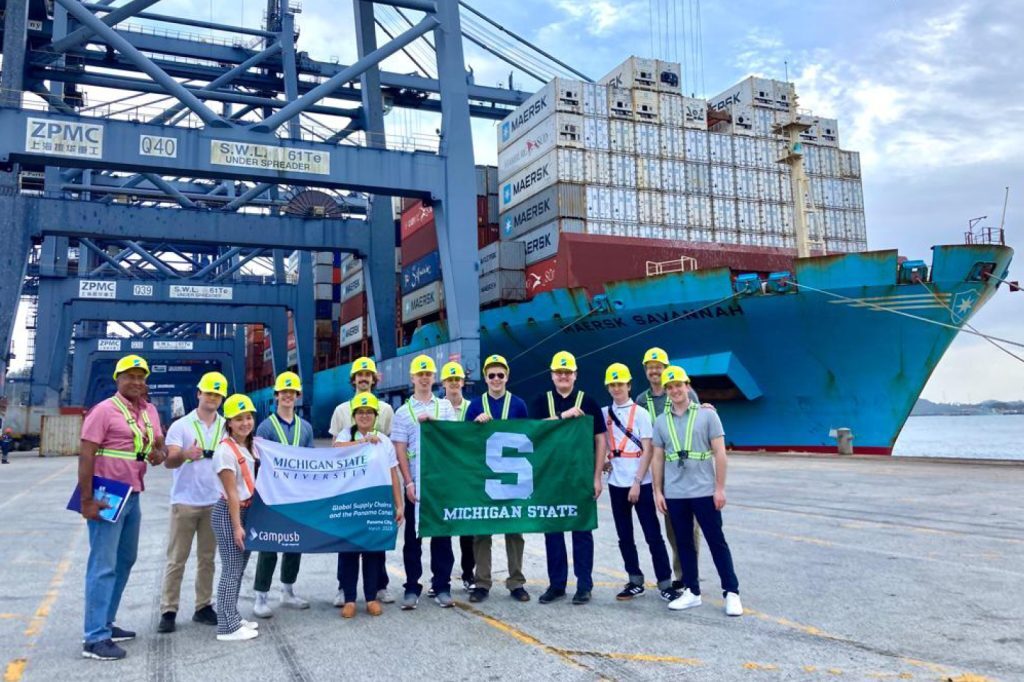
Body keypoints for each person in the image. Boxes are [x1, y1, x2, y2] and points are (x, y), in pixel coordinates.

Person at [78, 354, 167, 660]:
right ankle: (94, 638)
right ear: (118, 379)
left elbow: (158, 446)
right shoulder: (104, 411)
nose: (136, 382)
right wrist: (86, 499)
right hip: (107, 492)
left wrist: (159, 453)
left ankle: (106, 621)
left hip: (134, 493)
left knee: (125, 560)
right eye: (129, 376)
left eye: (141, 377)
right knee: (103, 564)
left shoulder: (150, 411)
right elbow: (86, 454)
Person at [652, 366, 742, 616]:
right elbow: (657, 459)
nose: (675, 390)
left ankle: (731, 592)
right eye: (670, 387)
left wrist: (720, 488)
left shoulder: (708, 416)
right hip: (675, 493)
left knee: (716, 542)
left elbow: (720, 454)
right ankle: (692, 591)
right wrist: (658, 492)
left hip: (704, 490)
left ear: (687, 386)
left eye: (678, 385)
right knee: (684, 544)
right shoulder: (661, 421)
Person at [528, 351, 606, 605]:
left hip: (580, 477)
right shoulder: (541, 401)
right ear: (552, 375)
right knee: (553, 532)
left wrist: (597, 477)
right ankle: (556, 584)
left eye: (567, 372)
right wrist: (563, 416)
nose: (563, 376)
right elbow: (534, 430)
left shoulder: (589, 402)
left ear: (575, 375)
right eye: (559, 372)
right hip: (550, 478)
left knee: (582, 531)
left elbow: (600, 440)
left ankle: (584, 585)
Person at [157, 372, 228, 634]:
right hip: (185, 502)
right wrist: (186, 454)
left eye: (217, 394)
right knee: (177, 559)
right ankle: (168, 609)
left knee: (207, 559)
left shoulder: (225, 426)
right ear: (198, 393)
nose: (213, 398)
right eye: (209, 393)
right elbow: (169, 460)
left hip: (214, 501)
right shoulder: (181, 426)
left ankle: (202, 607)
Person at [601, 362, 677, 603]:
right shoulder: (604, 414)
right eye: (612, 385)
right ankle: (634, 579)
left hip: (639, 483)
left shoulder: (642, 414)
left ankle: (665, 582)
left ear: (629, 385)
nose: (616, 389)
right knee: (624, 536)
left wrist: (636, 482)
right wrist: (604, 459)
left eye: (620, 384)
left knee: (653, 534)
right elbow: (601, 443)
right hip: (615, 483)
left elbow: (648, 451)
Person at [391, 354, 457, 610]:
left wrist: (435, 423)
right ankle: (411, 587)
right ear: (412, 378)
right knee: (413, 538)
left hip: (440, 483)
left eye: (428, 373)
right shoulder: (403, 412)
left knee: (442, 537)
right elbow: (400, 449)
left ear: (434, 377)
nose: (425, 378)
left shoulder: (445, 408)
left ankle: (442, 586)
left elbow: (452, 439)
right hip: (416, 484)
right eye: (420, 374)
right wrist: (408, 482)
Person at [328, 356, 396, 605]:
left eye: (368, 374)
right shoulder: (341, 411)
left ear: (374, 379)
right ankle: (343, 589)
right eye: (360, 375)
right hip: (349, 487)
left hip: (375, 485)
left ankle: (380, 585)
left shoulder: (386, 410)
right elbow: (335, 449)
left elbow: (386, 445)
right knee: (346, 541)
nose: (364, 378)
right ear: (354, 379)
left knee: (376, 537)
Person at [634, 347, 702, 590]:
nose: (655, 371)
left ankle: (690, 577)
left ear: (666, 368)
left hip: (684, 468)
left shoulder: (687, 393)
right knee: (672, 526)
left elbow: (698, 422)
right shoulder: (642, 400)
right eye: (650, 367)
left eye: (658, 366)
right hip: (659, 467)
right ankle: (680, 575)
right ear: (645, 371)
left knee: (690, 527)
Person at [465, 354, 530, 604]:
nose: (495, 379)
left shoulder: (519, 404)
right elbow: (464, 440)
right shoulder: (474, 406)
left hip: (512, 477)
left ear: (507, 377)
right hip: (484, 477)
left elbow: (529, 437)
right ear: (485, 377)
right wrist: (474, 424)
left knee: (515, 531)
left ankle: (516, 582)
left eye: (500, 375)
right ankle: (481, 583)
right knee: (482, 532)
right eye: (491, 375)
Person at [334, 392, 404, 618]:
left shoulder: (384, 441)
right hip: (350, 504)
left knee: (373, 552)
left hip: (376, 504)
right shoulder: (347, 434)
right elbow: (336, 449)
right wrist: (362, 441)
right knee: (349, 553)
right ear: (354, 416)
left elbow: (393, 473)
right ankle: (350, 599)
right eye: (360, 412)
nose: (365, 416)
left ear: (376, 416)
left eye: (369, 412)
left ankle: (371, 597)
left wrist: (398, 504)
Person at [251, 371, 313, 618]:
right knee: (269, 544)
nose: (287, 396)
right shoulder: (265, 427)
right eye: (283, 392)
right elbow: (258, 460)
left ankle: (288, 590)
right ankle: (260, 595)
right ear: (276, 396)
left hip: (297, 495)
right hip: (272, 495)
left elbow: (310, 461)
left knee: (294, 543)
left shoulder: (306, 427)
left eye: (292, 392)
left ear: (297, 396)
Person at [212, 394, 261, 641]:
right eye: (238, 419)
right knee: (231, 569)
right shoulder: (224, 451)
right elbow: (232, 493)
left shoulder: (247, 446)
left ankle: (231, 615)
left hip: (245, 511)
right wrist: (237, 526)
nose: (245, 423)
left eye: (248, 417)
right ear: (229, 422)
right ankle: (226, 627)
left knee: (238, 569)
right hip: (230, 513)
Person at [440, 361, 475, 592]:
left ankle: (468, 573)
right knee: (444, 530)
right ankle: (442, 578)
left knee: (468, 529)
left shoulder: (473, 408)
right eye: (450, 379)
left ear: (463, 382)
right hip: (444, 476)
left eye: (457, 379)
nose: (454, 383)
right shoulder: (437, 408)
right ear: (443, 383)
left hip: (468, 477)